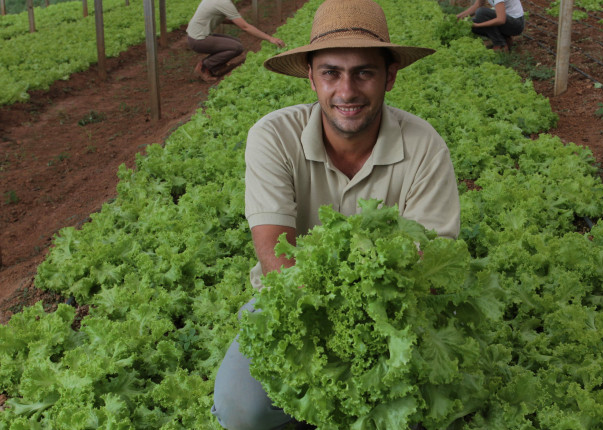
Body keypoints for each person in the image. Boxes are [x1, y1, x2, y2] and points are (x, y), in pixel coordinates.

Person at [210, 0, 461, 428]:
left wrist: (367, 331)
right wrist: (331, 333)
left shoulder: (424, 145)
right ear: (310, 77)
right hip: (292, 303)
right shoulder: (273, 136)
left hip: (395, 316)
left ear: (390, 77)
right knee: (241, 411)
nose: (346, 91)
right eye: (331, 72)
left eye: (364, 72)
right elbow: (274, 252)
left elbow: (429, 265)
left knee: (408, 411)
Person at [186, 0, 285, 83]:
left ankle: (216, 67)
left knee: (235, 42)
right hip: (198, 40)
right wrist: (270, 38)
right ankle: (204, 66)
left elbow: (215, 16)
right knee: (236, 47)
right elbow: (245, 27)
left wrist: (234, 21)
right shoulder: (223, 2)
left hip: (195, 36)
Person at [456, 0, 525, 52]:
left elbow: (501, 20)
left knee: (481, 13)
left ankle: (500, 45)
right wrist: (457, 17)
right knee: (471, 23)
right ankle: (504, 39)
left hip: (515, 24)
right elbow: (477, 5)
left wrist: (478, 25)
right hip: (507, 21)